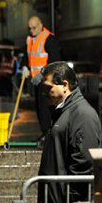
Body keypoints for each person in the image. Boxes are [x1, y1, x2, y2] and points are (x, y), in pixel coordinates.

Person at [37, 62, 102, 203]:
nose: (44, 92)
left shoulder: (82, 113)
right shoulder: (63, 111)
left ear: (65, 85)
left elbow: (85, 160)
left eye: (48, 87)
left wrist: (70, 198)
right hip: (61, 202)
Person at [20, 16, 61, 144]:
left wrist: (42, 74)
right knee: (39, 108)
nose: (31, 30)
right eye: (30, 28)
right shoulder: (30, 40)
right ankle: (45, 133)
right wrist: (25, 66)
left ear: (41, 25)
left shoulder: (49, 39)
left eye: (34, 27)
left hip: (48, 82)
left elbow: (54, 61)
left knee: (46, 108)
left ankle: (49, 134)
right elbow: (29, 56)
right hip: (37, 81)